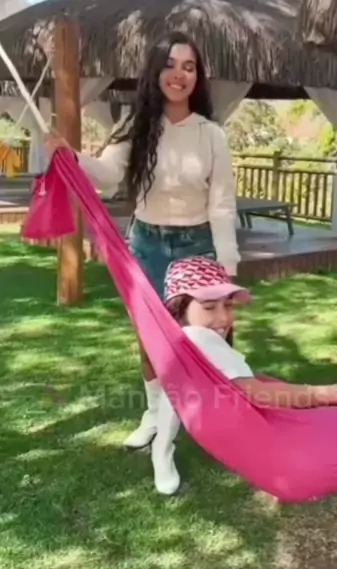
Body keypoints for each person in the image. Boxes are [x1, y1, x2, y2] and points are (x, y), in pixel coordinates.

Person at [44, 32, 241, 451]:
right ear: (155, 72)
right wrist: (70, 155)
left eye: (189, 67)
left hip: (196, 247)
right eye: (170, 65)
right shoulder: (136, 126)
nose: (179, 74)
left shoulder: (211, 135)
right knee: (150, 338)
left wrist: (227, 265)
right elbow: (107, 175)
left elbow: (223, 203)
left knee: (206, 339)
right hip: (147, 245)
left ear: (197, 78)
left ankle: (208, 415)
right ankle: (154, 414)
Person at [151, 255, 337, 495]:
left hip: (192, 390)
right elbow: (259, 394)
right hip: (211, 406)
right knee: (175, 389)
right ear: (179, 308)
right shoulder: (200, 337)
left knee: (173, 387)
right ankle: (161, 448)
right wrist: (331, 393)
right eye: (209, 307)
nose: (224, 318)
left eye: (228, 305)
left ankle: (161, 447)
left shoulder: (179, 338)